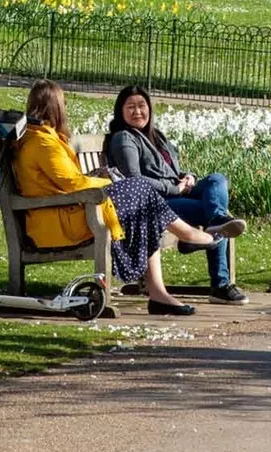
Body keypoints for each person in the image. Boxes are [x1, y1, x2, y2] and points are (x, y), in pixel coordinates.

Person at [10, 80, 241, 317]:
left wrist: (185, 178)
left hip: (69, 212)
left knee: (204, 183)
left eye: (143, 105)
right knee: (138, 191)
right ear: (56, 108)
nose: (66, 109)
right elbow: (74, 183)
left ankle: (164, 287)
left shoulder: (44, 139)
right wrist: (109, 181)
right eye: (63, 104)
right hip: (59, 221)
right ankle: (188, 240)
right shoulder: (43, 142)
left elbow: (69, 181)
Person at [104, 85, 248, 304]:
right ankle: (220, 285)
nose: (137, 112)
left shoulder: (155, 136)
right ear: (121, 111)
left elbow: (169, 171)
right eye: (131, 107)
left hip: (177, 192)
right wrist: (175, 188)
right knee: (210, 213)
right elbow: (134, 180)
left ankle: (215, 224)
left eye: (142, 106)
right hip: (157, 203)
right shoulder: (125, 138)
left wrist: (187, 177)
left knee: (217, 180)